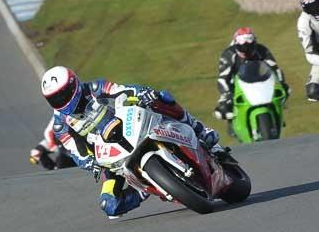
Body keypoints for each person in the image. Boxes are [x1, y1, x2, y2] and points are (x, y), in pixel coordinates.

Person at [40, 65, 222, 219]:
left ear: (75, 85)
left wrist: (141, 93)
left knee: (162, 97)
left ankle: (200, 129)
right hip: (109, 157)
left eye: (64, 94)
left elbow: (122, 89)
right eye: (55, 98)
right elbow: (75, 151)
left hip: (130, 124)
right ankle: (144, 191)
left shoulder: (95, 88)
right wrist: (89, 163)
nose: (62, 100)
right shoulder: (60, 125)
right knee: (109, 205)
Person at [214, 27, 289, 120]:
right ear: (236, 45)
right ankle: (235, 120)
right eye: (242, 47)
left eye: (249, 47)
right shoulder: (228, 54)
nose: (246, 50)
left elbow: (275, 69)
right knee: (222, 110)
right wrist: (227, 95)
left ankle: (277, 116)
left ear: (254, 44)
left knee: (285, 92)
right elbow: (223, 79)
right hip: (237, 86)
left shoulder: (262, 50)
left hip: (261, 82)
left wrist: (282, 84)